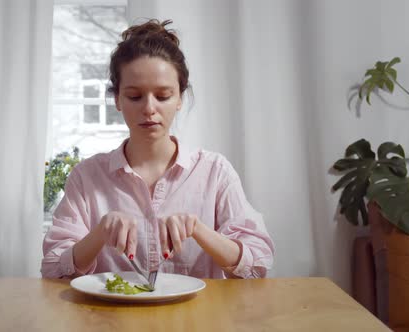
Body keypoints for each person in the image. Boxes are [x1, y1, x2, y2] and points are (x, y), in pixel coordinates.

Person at [41, 19, 274, 279]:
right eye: (134, 96)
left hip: (200, 319)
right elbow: (52, 270)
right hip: (109, 319)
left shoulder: (215, 172)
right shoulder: (86, 177)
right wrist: (98, 234)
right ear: (117, 99)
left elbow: (257, 265)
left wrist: (199, 229)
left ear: (180, 99)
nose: (149, 109)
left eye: (163, 96)